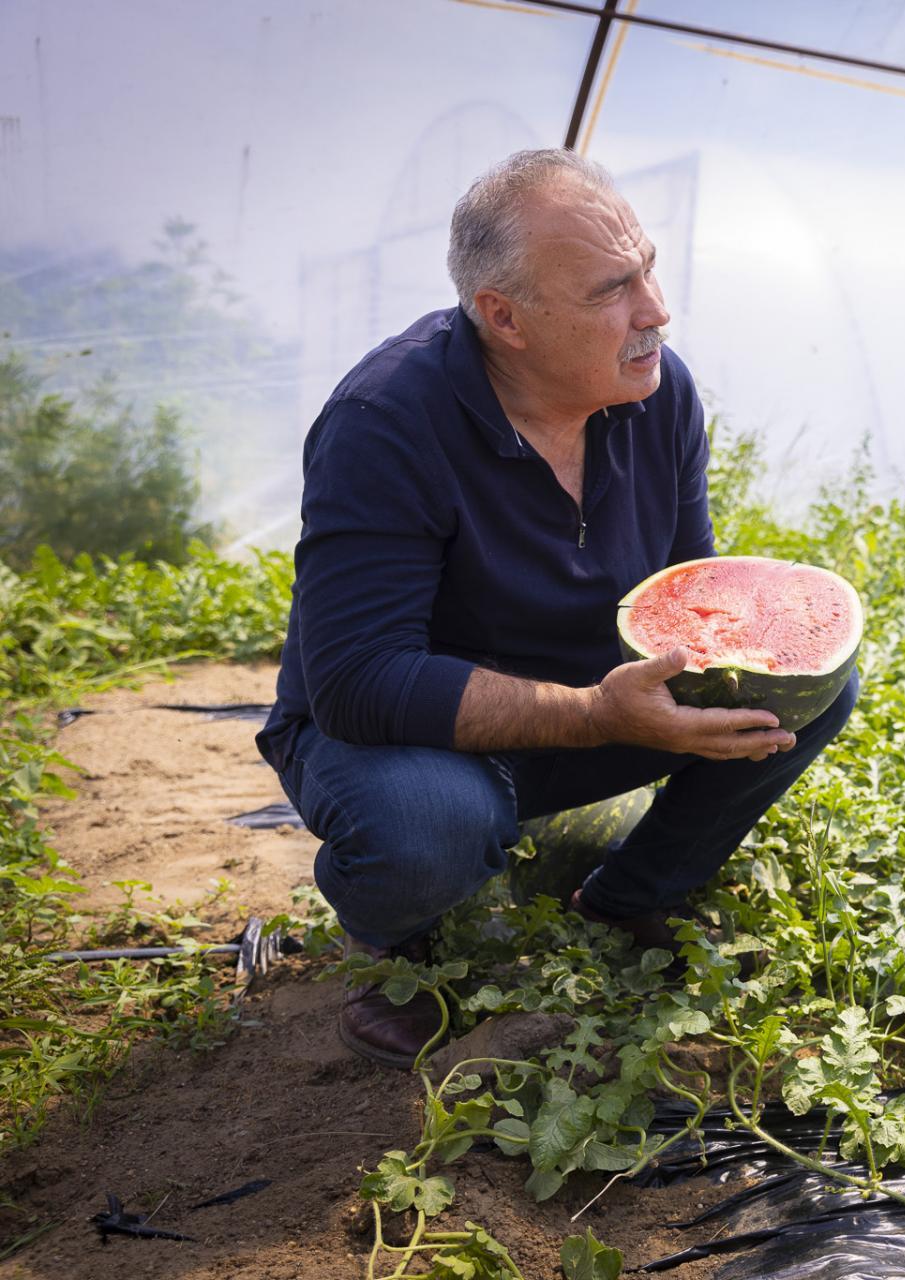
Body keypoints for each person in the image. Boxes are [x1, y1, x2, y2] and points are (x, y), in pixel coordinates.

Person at [256, 149, 856, 1068]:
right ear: (505, 317)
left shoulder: (657, 393)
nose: (654, 309)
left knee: (813, 681)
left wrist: (720, 672)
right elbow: (356, 682)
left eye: (648, 267)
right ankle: (398, 949)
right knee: (428, 832)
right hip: (404, 736)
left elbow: (690, 589)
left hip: (587, 700)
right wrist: (591, 715)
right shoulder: (384, 423)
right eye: (611, 290)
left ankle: (630, 896)